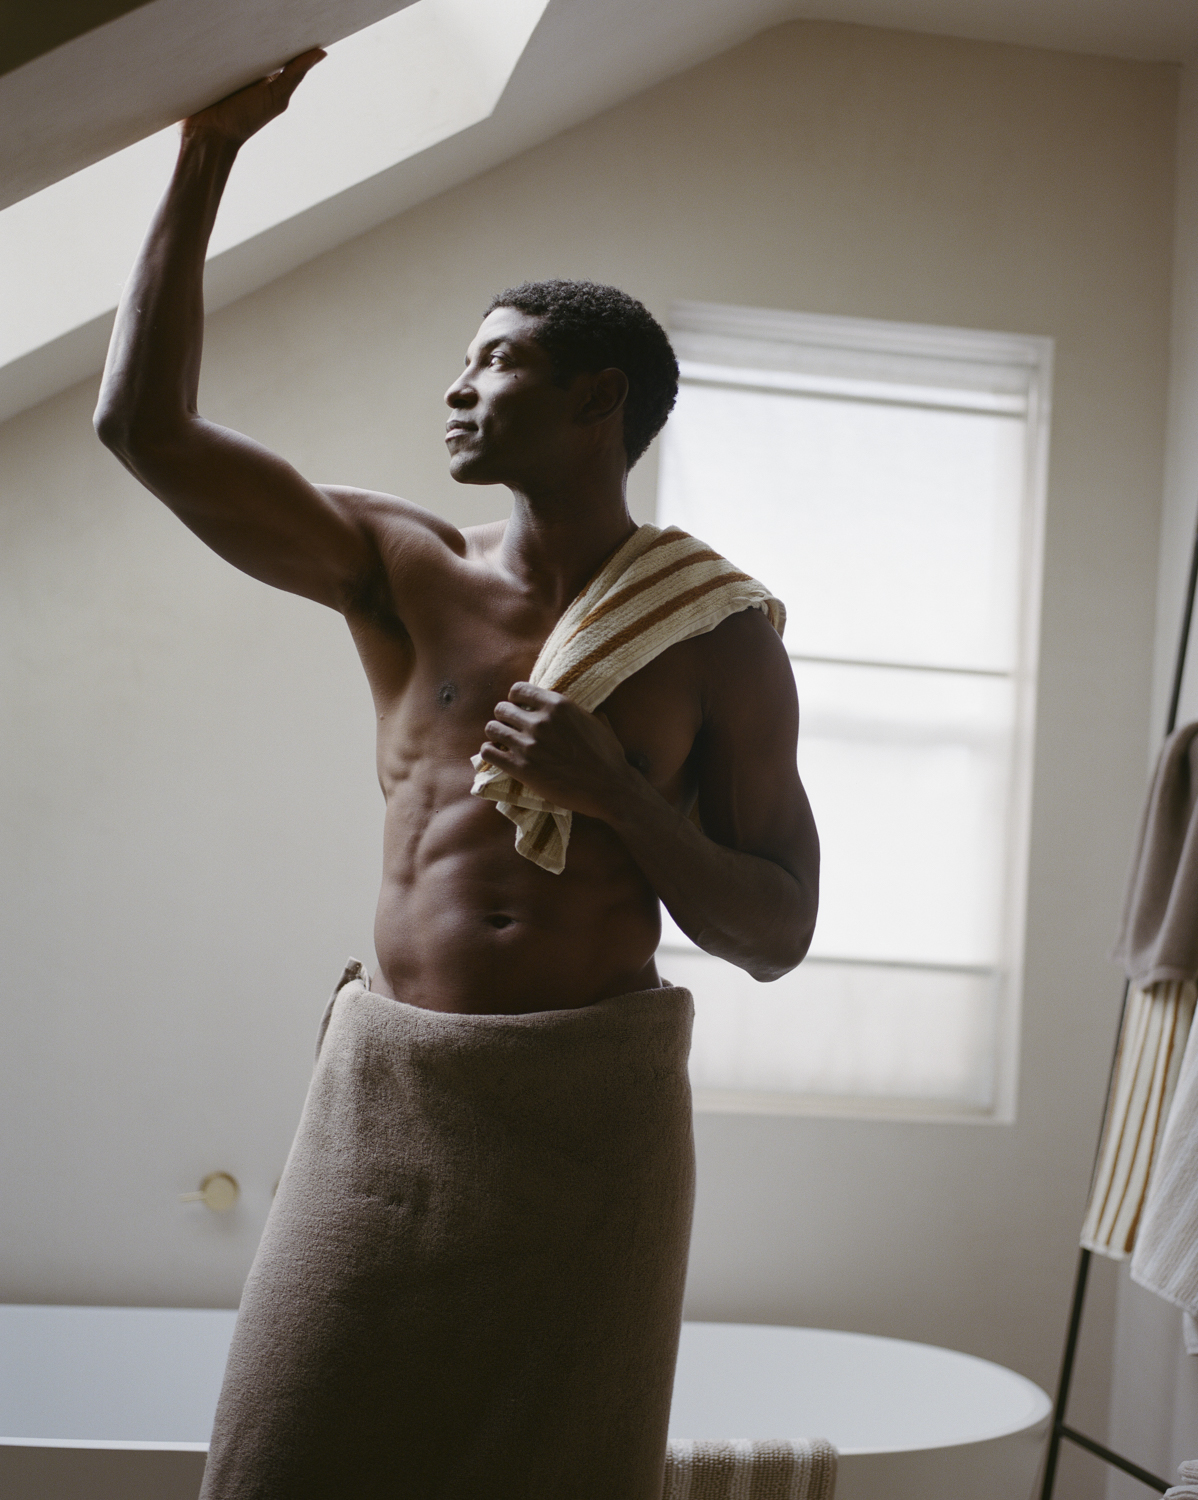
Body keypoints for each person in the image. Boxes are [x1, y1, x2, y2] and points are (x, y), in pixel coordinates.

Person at [94, 51, 819, 1500]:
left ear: (597, 399)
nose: (458, 385)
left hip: (591, 1121)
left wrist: (617, 794)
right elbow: (144, 430)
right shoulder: (398, 566)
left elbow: (774, 935)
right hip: (394, 1096)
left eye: (496, 362)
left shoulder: (718, 637)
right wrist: (205, 152)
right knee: (281, 1458)